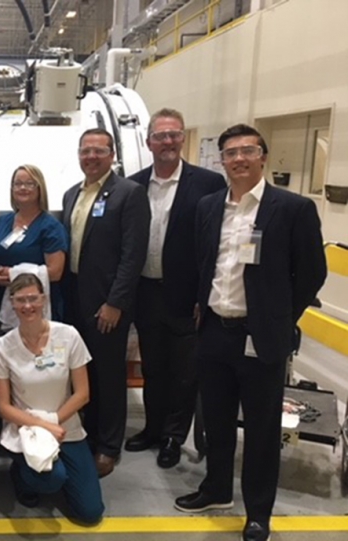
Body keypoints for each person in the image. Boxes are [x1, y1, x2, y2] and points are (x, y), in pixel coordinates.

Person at [174, 124, 327, 541]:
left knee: (261, 428)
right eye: (230, 152)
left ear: (262, 156)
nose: (238, 159)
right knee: (216, 420)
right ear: (220, 160)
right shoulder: (209, 207)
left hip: (261, 336)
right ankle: (217, 488)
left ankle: (259, 510)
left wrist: (278, 317)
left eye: (247, 150)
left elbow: (313, 273)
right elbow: (204, 264)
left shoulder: (292, 209)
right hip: (215, 331)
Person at [126, 108, 226, 468]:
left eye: (174, 135)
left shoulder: (208, 185)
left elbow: (215, 245)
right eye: (160, 136)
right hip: (146, 292)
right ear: (149, 141)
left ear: (183, 138)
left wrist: (205, 296)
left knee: (185, 373)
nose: (167, 142)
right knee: (153, 367)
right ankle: (152, 428)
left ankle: (172, 436)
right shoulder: (133, 184)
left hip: (187, 298)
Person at [61, 128, 150, 478]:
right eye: (86, 151)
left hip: (107, 303)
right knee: (83, 372)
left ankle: (108, 446)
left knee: (109, 375)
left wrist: (116, 302)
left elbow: (133, 254)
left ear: (112, 155)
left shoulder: (129, 194)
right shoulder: (72, 194)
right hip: (75, 300)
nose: (91, 157)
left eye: (99, 151)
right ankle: (89, 433)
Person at [0, 273, 104, 524]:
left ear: (44, 299)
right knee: (51, 480)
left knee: (90, 513)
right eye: (20, 300)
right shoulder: (3, 347)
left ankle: (57, 470)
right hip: (25, 430)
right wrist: (44, 427)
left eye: (33, 298)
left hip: (66, 428)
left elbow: (83, 393)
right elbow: (3, 406)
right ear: (11, 303)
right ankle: (23, 476)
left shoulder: (69, 336)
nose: (27, 306)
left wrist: (54, 423)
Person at [0, 165, 68, 323]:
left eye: (30, 183)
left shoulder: (50, 227)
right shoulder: (1, 222)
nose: (23, 188)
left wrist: (13, 274)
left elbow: (55, 272)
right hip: (7, 301)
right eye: (18, 184)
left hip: (37, 305)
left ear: (40, 188)